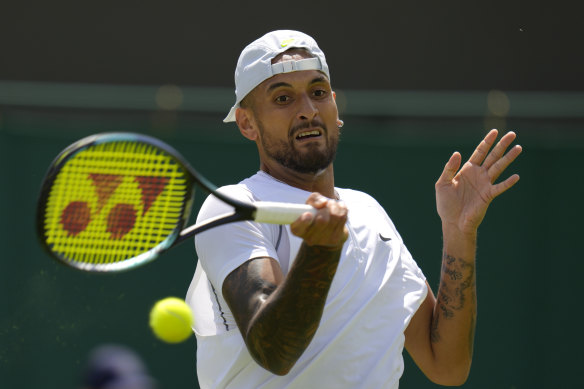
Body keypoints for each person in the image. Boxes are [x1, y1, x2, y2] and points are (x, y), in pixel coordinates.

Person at [185, 30, 522, 388]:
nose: (308, 111)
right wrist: (321, 251)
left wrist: (458, 232)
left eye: (318, 93)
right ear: (247, 123)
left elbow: (448, 366)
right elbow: (274, 352)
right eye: (283, 98)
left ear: (334, 105)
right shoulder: (232, 207)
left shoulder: (368, 211)